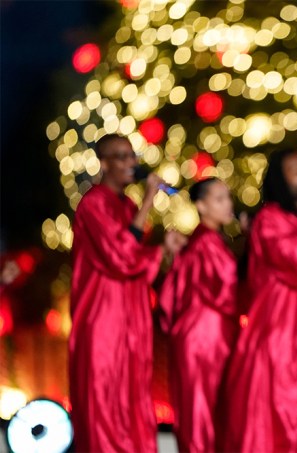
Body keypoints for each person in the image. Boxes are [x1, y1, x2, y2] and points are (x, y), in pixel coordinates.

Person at [69, 134, 185, 452]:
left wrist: (163, 250)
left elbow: (136, 258)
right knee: (104, 402)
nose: (131, 163)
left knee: (132, 397)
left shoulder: (127, 204)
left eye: (132, 156)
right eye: (121, 157)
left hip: (130, 319)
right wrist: (149, 200)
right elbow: (121, 256)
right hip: (102, 321)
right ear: (104, 163)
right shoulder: (93, 204)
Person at [221, 148, 297, 452]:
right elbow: (293, 257)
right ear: (280, 179)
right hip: (278, 344)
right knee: (279, 428)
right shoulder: (269, 219)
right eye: (295, 170)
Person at [159, 177, 238, 453]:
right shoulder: (206, 243)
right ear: (202, 206)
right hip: (205, 340)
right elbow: (228, 293)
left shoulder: (203, 241)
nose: (228, 203)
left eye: (227, 197)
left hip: (203, 338)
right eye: (219, 199)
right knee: (201, 411)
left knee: (202, 410)